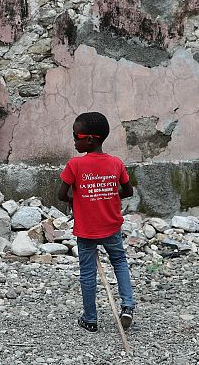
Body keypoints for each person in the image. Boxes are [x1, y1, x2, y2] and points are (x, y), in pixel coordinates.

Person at [57, 112, 135, 333]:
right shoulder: (116, 163)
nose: (74, 140)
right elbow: (128, 191)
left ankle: (90, 319)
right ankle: (128, 306)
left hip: (87, 229)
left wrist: (76, 200)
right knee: (119, 262)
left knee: (88, 273)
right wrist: (108, 195)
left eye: (76, 135)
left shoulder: (74, 165)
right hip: (111, 226)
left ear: (90, 139)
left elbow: (61, 194)